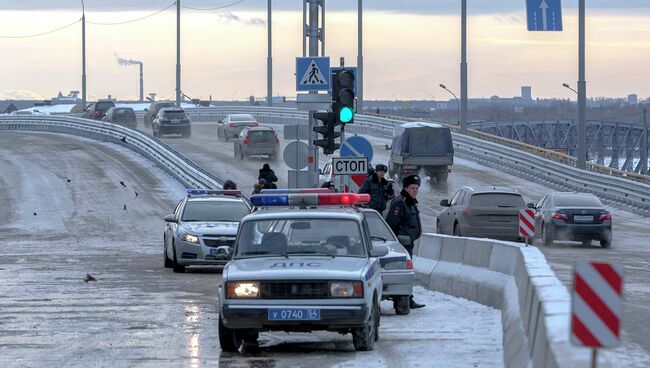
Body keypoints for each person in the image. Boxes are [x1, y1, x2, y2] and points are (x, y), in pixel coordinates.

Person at [385, 174, 425, 309]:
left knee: (408, 273)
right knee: (405, 274)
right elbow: (391, 225)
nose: (415, 190)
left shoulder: (410, 202)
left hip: (408, 245)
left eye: (417, 188)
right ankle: (406, 300)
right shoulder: (400, 203)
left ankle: (408, 298)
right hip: (401, 247)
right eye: (412, 188)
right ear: (406, 188)